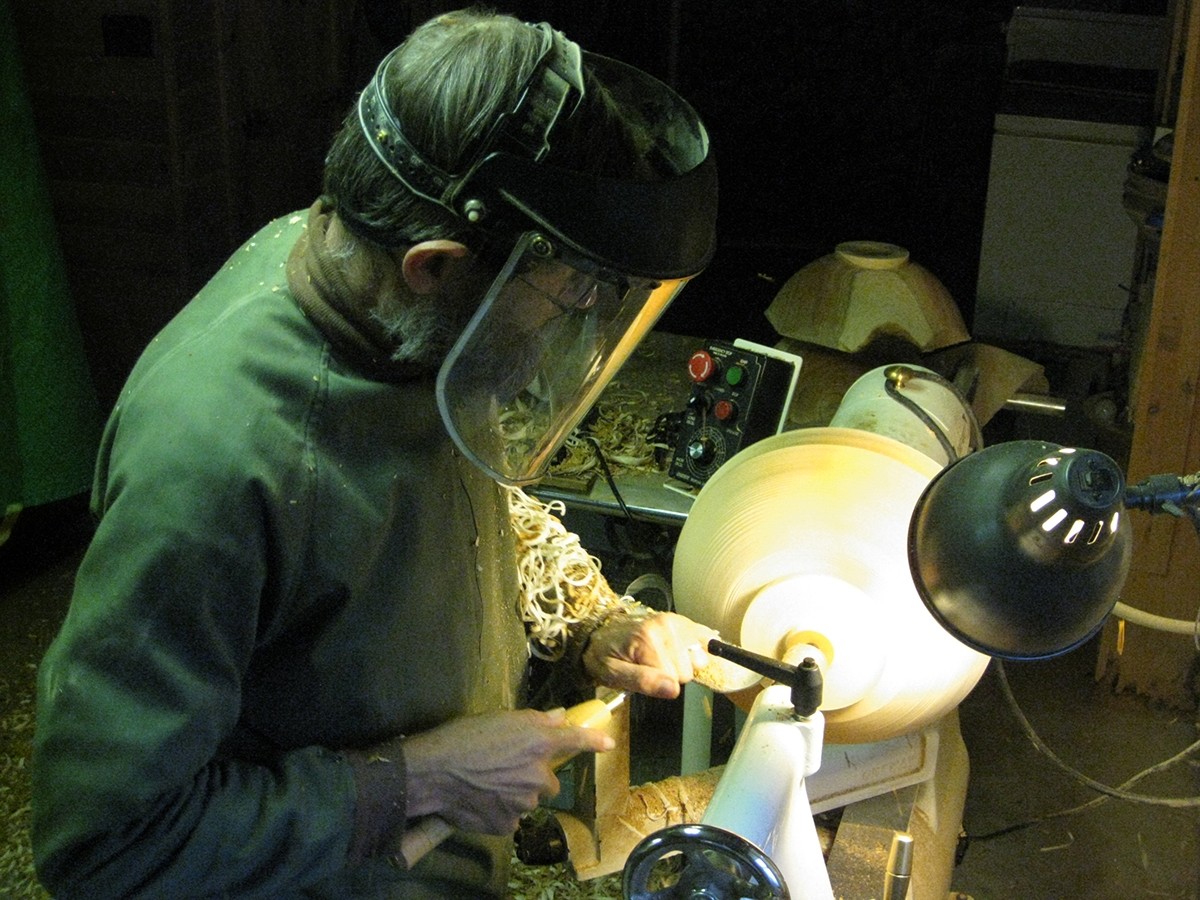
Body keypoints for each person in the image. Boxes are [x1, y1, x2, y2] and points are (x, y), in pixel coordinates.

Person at [31, 8, 720, 898]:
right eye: (573, 288)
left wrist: (589, 623)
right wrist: (417, 781)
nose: (578, 318)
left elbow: (463, 488)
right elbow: (107, 842)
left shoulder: (397, 310)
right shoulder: (212, 460)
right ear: (434, 266)